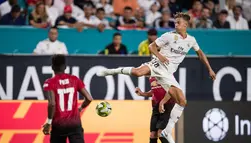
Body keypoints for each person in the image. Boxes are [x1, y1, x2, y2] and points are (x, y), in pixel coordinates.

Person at [96, 12, 216, 143]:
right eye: (175, 22)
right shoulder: (168, 36)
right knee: (137, 73)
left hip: (168, 74)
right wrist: (160, 56)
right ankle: (112, 71)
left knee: (182, 101)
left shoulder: (191, 40)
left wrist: (210, 69)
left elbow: (200, 54)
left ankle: (166, 131)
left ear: (185, 25)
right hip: (157, 64)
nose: (176, 25)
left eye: (178, 22)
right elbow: (151, 46)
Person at [42, 54, 93, 143]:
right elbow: (89, 98)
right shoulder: (75, 79)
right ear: (65, 67)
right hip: (74, 124)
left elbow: (52, 104)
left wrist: (49, 122)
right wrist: (80, 108)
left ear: (52, 67)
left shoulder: (49, 82)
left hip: (59, 125)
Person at [135, 77, 175, 143]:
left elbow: (171, 90)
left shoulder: (165, 72)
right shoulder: (151, 76)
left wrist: (162, 102)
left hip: (167, 104)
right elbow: (154, 91)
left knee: (161, 133)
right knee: (153, 135)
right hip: (157, 105)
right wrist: (142, 93)